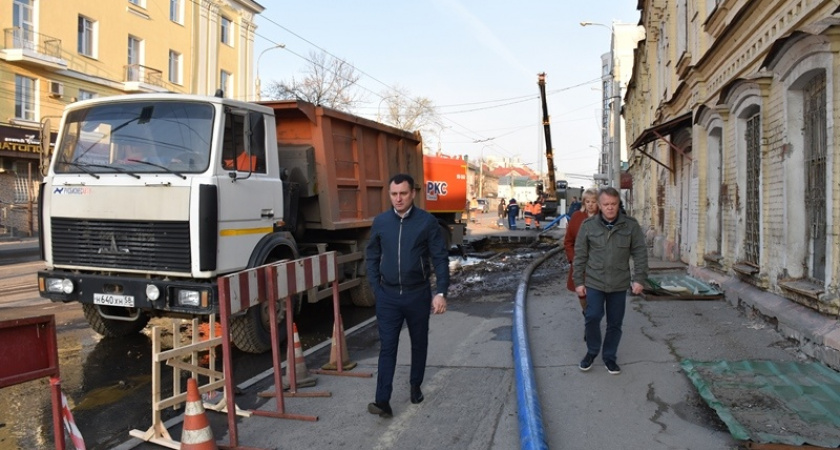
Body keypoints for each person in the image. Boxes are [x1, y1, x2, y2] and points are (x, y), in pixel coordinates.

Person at [365, 173, 449, 418]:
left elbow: (440, 258)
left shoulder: (427, 222)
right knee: (387, 348)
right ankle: (382, 401)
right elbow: (371, 256)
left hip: (418, 295)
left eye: (403, 193)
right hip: (388, 297)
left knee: (419, 342)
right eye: (394, 194)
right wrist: (376, 289)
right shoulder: (381, 222)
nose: (398, 198)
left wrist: (440, 292)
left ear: (413, 193)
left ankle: (415, 385)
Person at [573, 187, 648, 375]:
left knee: (615, 323)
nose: (610, 208)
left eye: (613, 204)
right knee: (592, 317)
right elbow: (580, 255)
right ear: (599, 205)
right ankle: (591, 352)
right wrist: (578, 282)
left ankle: (609, 357)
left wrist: (639, 279)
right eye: (606, 204)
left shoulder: (630, 226)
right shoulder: (588, 226)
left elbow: (640, 253)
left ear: (618, 204)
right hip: (595, 281)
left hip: (619, 283)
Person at [563, 188, 600, 311]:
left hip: (599, 264)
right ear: (584, 202)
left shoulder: (604, 218)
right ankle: (587, 314)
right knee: (582, 293)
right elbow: (568, 241)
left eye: (593, 201)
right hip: (580, 263)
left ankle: (593, 316)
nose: (590, 204)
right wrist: (573, 259)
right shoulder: (577, 216)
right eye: (587, 201)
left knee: (596, 294)